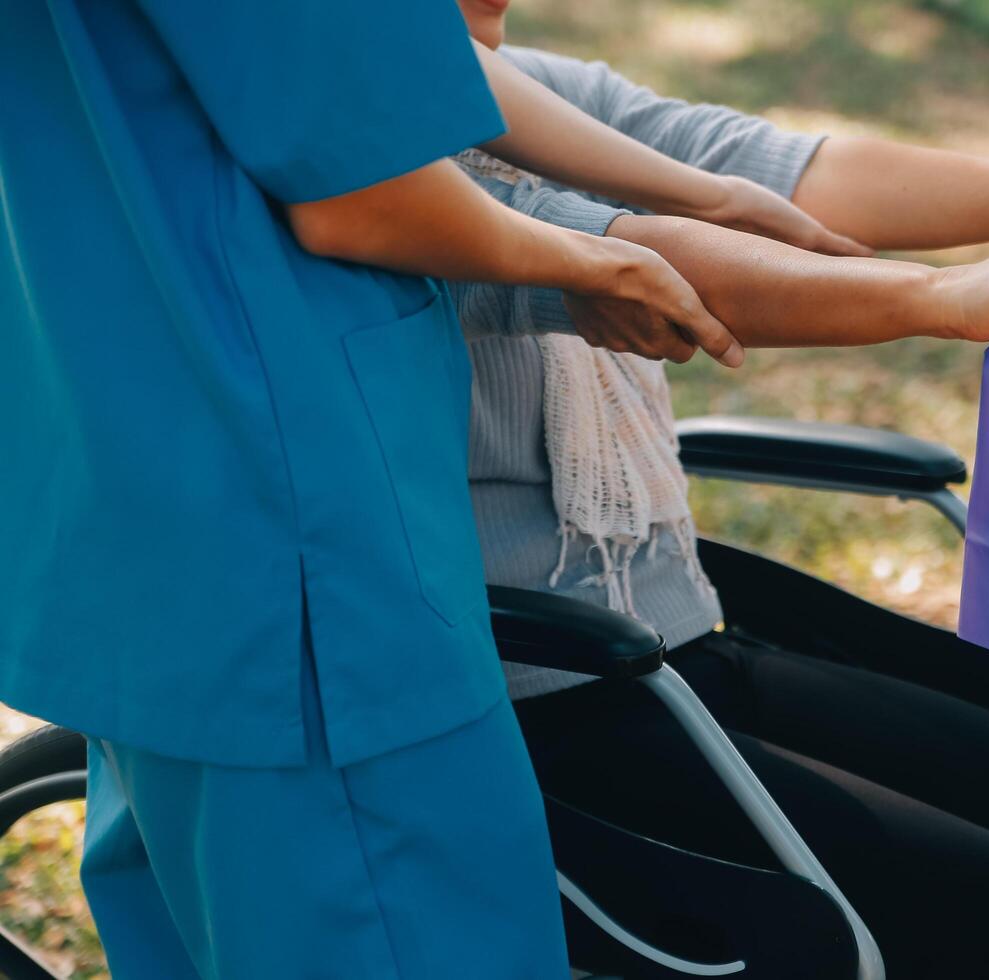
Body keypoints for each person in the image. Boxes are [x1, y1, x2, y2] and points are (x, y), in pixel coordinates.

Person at [0, 0, 862, 975]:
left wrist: (684, 197)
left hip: (128, 520)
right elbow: (363, 187)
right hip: (297, 554)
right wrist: (593, 256)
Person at [445, 1, 989, 976]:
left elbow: (781, 168)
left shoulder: (537, 90)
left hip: (684, 635)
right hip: (554, 699)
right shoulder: (381, 167)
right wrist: (941, 297)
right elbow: (622, 257)